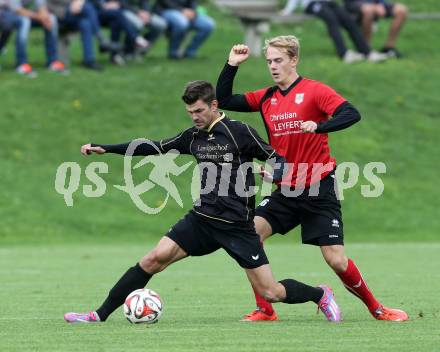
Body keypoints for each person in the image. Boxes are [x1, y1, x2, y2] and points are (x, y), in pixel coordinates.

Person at [64, 80, 341, 324]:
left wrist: (275, 174)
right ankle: (98, 315)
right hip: (202, 219)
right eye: (190, 112)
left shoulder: (239, 131)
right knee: (153, 258)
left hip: (237, 227)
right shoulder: (193, 136)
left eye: (199, 110)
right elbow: (154, 146)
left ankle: (319, 294)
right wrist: (108, 149)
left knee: (271, 292)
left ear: (214, 105)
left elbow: (276, 158)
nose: (195, 117)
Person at [216, 36, 409, 322]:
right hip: (285, 189)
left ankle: (377, 309)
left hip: (319, 187)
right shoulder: (267, 97)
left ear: (294, 60)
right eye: (269, 61)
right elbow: (227, 99)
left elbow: (350, 114)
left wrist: (320, 126)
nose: (273, 66)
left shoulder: (314, 91)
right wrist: (232, 65)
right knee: (249, 235)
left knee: (336, 259)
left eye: (278, 60)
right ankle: (265, 310)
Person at [281, 0, 387, 63]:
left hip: (329, 3)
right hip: (312, 4)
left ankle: (366, 52)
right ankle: (344, 54)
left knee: (348, 20)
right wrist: (288, 10)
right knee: (332, 20)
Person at [48, 0, 120, 70]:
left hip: (73, 13)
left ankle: (89, 60)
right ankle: (101, 39)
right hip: (59, 14)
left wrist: (78, 2)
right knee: (87, 7)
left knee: (85, 24)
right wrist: (71, 6)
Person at [0, 0, 65, 76]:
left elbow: (41, 6)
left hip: (27, 15)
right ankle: (22, 63)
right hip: (9, 15)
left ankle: (53, 61)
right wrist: (38, 17)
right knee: (24, 21)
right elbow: (17, 9)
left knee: (51, 18)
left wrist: (45, 18)